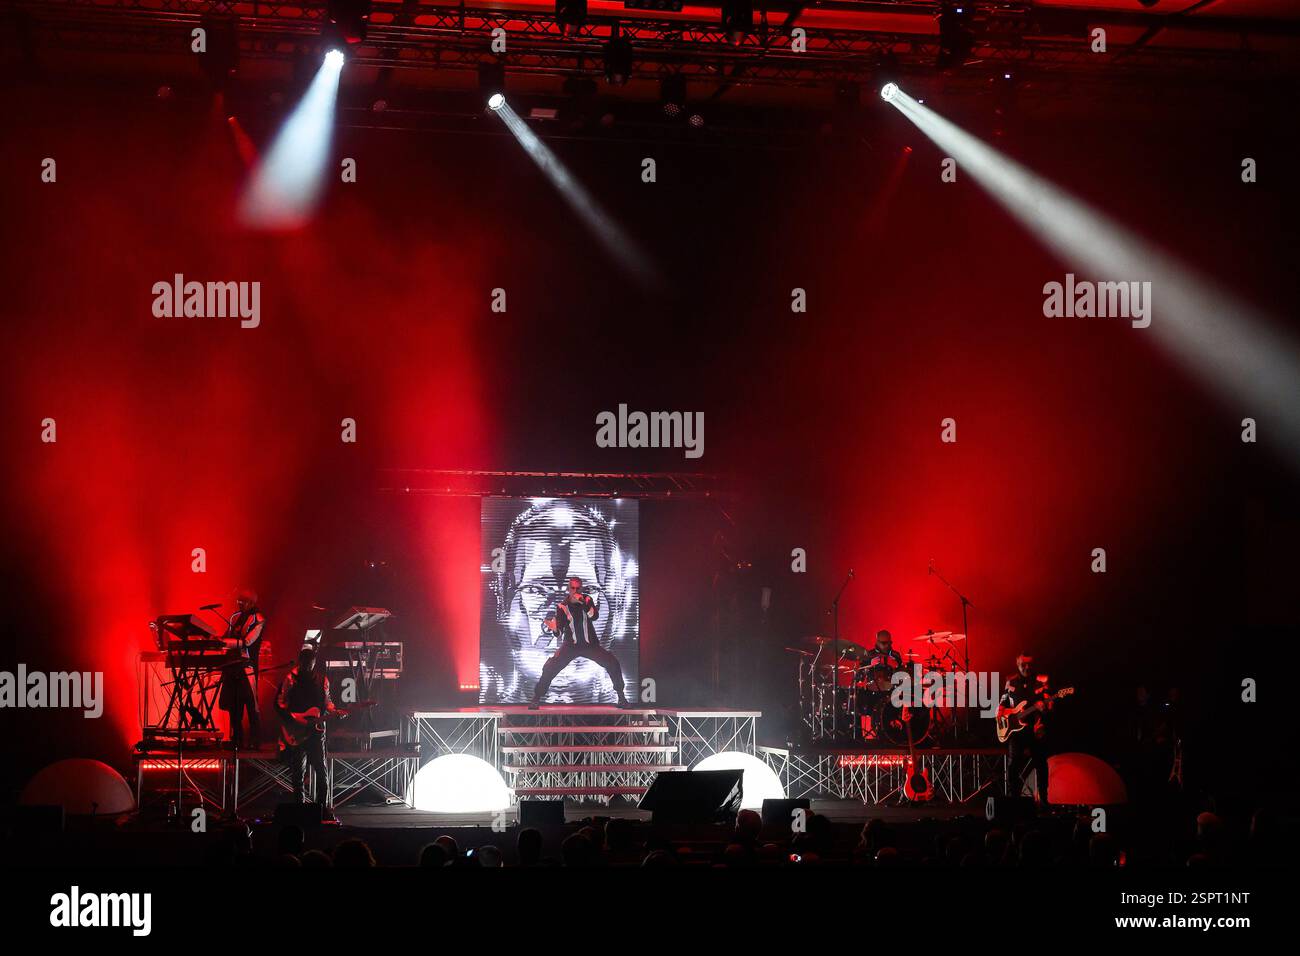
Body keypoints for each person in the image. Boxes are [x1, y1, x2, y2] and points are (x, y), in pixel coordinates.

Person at [529, 577, 631, 709]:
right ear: (568, 588)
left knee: (612, 663)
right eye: (573, 588)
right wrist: (554, 628)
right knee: (550, 667)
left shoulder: (587, 600)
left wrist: (583, 602)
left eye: (578, 588)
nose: (575, 591)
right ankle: (536, 698)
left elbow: (594, 616)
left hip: (590, 645)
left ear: (581, 589)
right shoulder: (562, 606)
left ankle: (621, 698)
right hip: (571, 645)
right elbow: (559, 631)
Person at [275, 645, 339, 809]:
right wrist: (292, 721)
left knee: (321, 770)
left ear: (314, 662)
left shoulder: (322, 679)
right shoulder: (291, 678)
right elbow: (280, 703)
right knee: (298, 773)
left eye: (310, 662)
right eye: (305, 662)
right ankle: (299, 808)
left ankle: (321, 808)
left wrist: (334, 711)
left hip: (316, 732)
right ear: (300, 661)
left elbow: (327, 702)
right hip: (297, 731)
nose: (307, 665)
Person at [999, 653, 1051, 805]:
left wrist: (1045, 706)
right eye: (1024, 664)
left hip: (1036, 730)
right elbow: (1003, 700)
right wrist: (1000, 713)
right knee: (1013, 764)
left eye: (1030, 664)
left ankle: (1043, 799)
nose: (1027, 667)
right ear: (1017, 663)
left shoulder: (1041, 682)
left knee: (1041, 764)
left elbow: (1049, 705)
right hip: (1016, 731)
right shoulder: (1010, 681)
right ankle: (1013, 799)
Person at [218, 587, 264, 749]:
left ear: (251, 603)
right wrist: (214, 640)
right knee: (233, 705)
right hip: (233, 668)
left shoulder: (258, 618)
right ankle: (236, 739)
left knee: (251, 705)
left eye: (242, 601)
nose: (239, 604)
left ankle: (255, 741)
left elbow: (248, 641)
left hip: (247, 667)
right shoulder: (235, 617)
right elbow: (226, 636)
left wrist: (223, 643)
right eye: (238, 601)